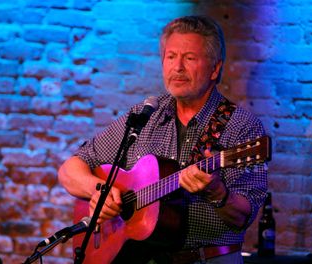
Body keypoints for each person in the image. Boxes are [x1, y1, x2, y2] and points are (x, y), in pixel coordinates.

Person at [58, 15, 268, 264]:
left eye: (189, 58)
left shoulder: (242, 127)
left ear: (215, 69)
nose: (177, 67)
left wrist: (217, 192)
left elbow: (244, 216)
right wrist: (101, 193)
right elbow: (70, 169)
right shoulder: (146, 115)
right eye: (170, 57)